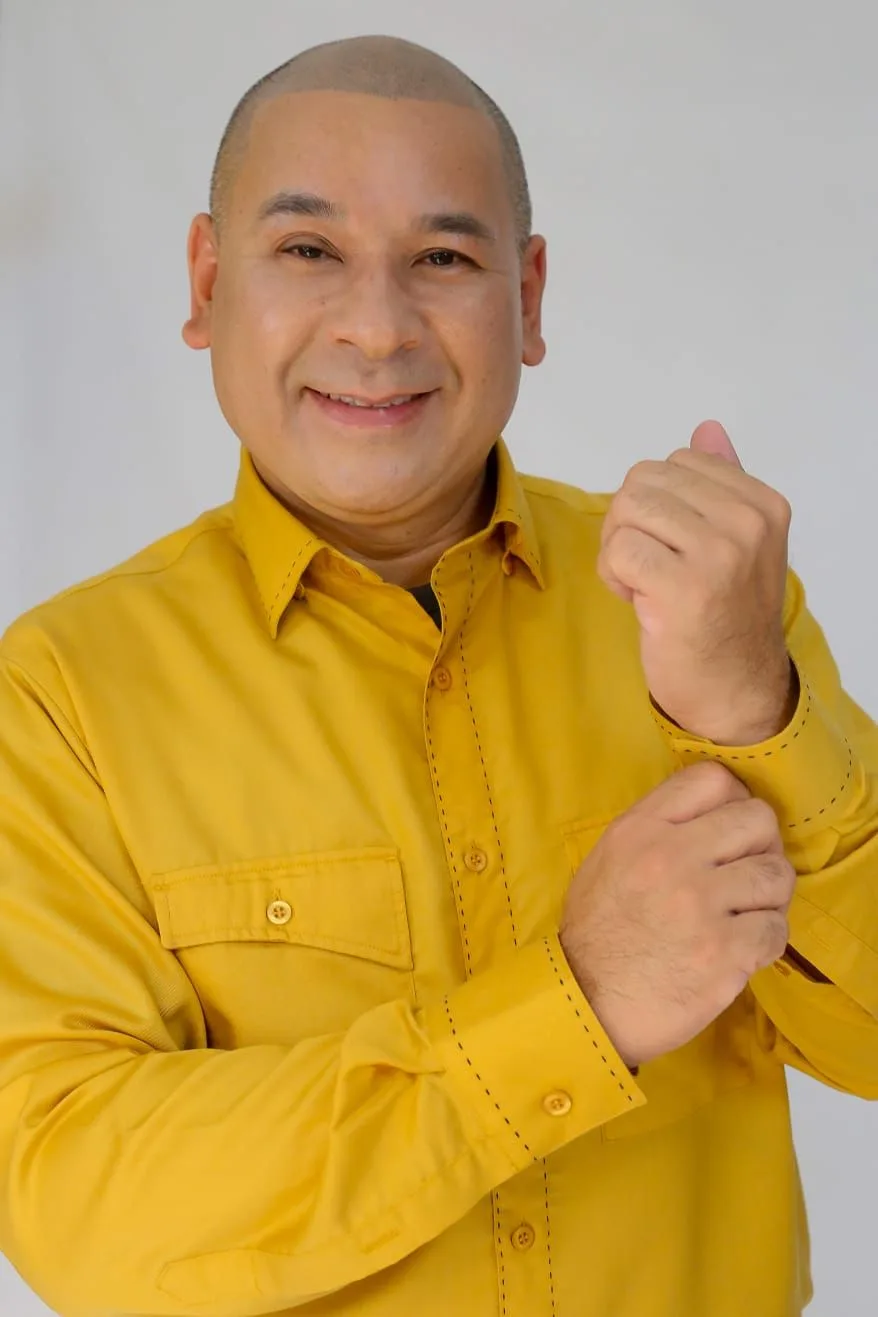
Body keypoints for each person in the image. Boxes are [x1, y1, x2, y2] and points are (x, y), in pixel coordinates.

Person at [0, 33, 875, 1317]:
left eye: (443, 259)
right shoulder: (59, 694)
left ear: (527, 299)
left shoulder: (714, 609)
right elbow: (78, 1207)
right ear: (207, 282)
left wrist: (752, 712)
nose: (374, 326)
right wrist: (576, 1006)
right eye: (308, 250)